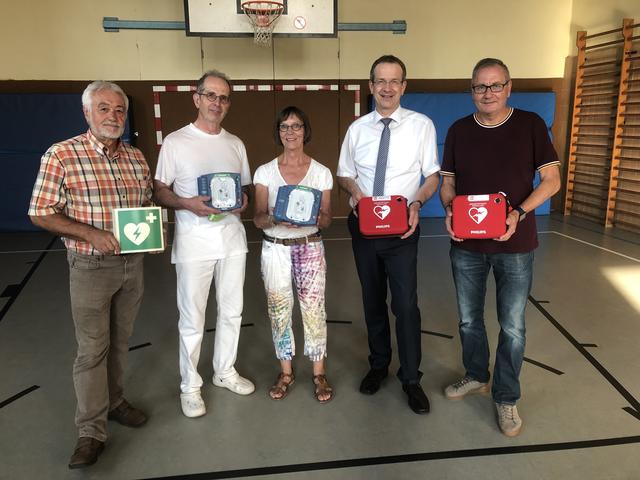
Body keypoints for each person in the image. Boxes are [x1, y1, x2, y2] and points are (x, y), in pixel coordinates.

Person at [28, 81, 151, 469]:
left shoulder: (136, 158)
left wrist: (155, 226)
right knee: (91, 349)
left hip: (132, 264)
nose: (113, 116)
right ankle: (90, 432)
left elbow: (145, 205)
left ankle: (115, 402)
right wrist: (91, 234)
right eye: (104, 109)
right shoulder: (62, 155)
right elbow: (40, 210)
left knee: (120, 341)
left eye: (119, 110)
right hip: (89, 267)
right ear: (87, 113)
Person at [439, 58, 561, 437]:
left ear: (509, 88)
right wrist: (449, 210)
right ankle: (477, 374)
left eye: (495, 85)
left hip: (516, 245)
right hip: (467, 247)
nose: (487, 93)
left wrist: (519, 213)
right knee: (468, 319)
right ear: (471, 90)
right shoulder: (459, 130)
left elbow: (552, 180)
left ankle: (507, 397)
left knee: (513, 326)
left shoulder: (530, 126)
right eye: (480, 86)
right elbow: (448, 183)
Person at [337, 55, 440, 414]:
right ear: (370, 86)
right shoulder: (357, 129)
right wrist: (353, 191)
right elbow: (344, 173)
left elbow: (432, 176)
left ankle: (411, 377)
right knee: (372, 300)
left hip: (401, 228)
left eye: (394, 81)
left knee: (406, 304)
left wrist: (418, 203)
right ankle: (379, 365)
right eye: (380, 81)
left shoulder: (422, 125)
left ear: (404, 86)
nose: (387, 87)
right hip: (364, 225)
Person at [154, 70, 255, 419]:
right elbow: (160, 190)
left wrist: (243, 200)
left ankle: (224, 371)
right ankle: (190, 386)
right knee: (192, 319)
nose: (217, 102)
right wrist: (187, 203)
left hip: (232, 242)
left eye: (223, 97)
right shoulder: (176, 142)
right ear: (196, 98)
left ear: (228, 104)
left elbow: (244, 190)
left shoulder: (235, 144)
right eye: (210, 95)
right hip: (194, 245)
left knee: (232, 312)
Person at [253, 106, 334, 403]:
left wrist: (310, 218)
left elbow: (327, 218)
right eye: (284, 127)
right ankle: (285, 372)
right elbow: (258, 218)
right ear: (278, 132)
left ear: (305, 131)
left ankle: (318, 372)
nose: (290, 132)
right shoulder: (265, 171)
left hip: (309, 246)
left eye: (296, 126)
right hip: (275, 248)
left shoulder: (321, 172)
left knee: (314, 311)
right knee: (278, 310)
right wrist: (275, 218)